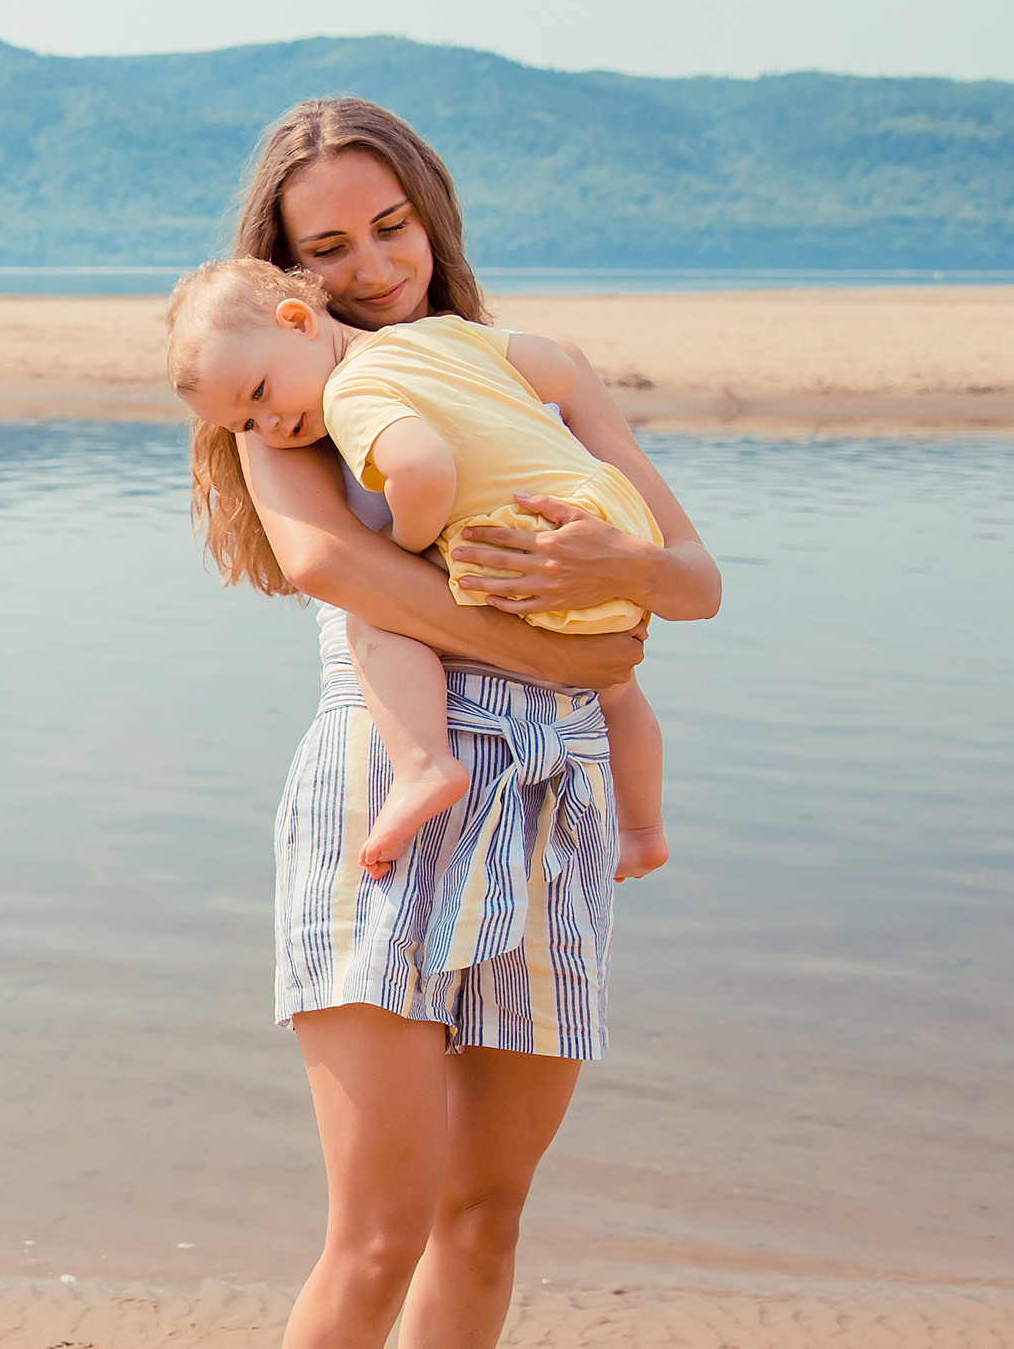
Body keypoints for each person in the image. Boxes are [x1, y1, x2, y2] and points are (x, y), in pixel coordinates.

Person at [190, 98, 719, 1349]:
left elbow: (695, 581)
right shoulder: (286, 396)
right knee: (378, 1235)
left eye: (391, 227)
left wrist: (618, 571)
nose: (371, 268)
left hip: (554, 795)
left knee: (484, 1218)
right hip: (390, 787)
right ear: (287, 276)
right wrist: (578, 646)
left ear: (431, 216)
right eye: (328, 249)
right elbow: (337, 570)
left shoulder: (500, 368)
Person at [165, 256, 671, 884]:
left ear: (298, 322)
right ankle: (644, 831)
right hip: (603, 529)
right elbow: (556, 370)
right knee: (618, 687)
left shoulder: (351, 389)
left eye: (261, 394)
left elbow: (425, 471)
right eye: (246, 423)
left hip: (516, 543)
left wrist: (405, 546)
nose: (270, 426)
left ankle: (424, 763)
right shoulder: (441, 337)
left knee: (374, 616)